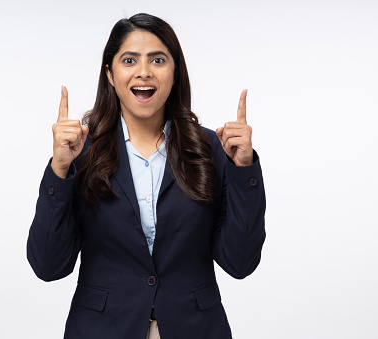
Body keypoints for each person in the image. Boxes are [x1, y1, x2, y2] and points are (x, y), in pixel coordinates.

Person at [27, 13, 266, 339]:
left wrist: (243, 169)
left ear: (174, 72)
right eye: (129, 60)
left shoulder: (212, 148)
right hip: (103, 330)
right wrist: (59, 169)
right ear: (110, 74)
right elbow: (48, 266)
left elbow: (240, 263)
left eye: (157, 59)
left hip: (195, 329)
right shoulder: (81, 151)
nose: (144, 71)